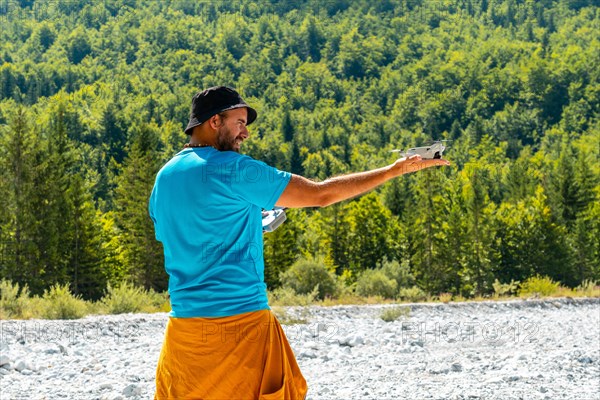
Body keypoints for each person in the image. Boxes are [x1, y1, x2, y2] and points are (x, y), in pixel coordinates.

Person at [149, 86, 449, 399]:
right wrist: (394, 170)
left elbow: (186, 234)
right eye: (239, 123)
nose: (245, 133)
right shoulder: (234, 169)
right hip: (240, 328)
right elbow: (320, 194)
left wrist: (249, 225)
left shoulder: (164, 178)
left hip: (184, 334)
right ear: (214, 122)